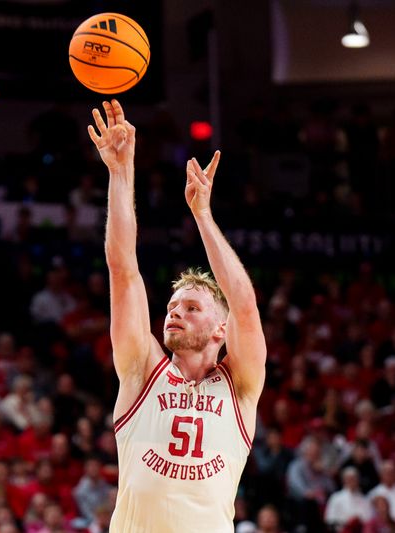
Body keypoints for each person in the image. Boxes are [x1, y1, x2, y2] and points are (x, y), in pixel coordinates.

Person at [88, 100, 265, 532]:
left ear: (220, 329)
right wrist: (119, 171)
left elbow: (242, 302)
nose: (174, 314)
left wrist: (203, 215)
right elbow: (124, 268)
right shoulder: (141, 367)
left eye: (191, 307)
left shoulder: (240, 385)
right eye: (171, 307)